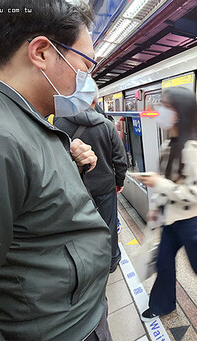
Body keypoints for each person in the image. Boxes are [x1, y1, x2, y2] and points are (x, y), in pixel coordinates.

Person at [0, 1, 113, 340]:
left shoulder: (21, 119)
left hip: (69, 314)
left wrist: (70, 165)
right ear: (41, 52)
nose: (88, 78)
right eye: (85, 64)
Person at [135, 87, 197, 321]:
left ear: (179, 113)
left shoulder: (193, 149)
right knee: (163, 261)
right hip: (172, 217)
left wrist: (159, 183)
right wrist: (156, 207)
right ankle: (162, 304)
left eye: (166, 106)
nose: (160, 111)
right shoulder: (169, 145)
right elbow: (167, 183)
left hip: (191, 220)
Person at [53, 92, 128, 273]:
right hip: (105, 186)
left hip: (76, 187)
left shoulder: (58, 124)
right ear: (93, 102)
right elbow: (120, 159)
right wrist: (119, 181)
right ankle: (111, 260)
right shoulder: (107, 125)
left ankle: (89, 264)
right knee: (109, 225)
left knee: (82, 228)